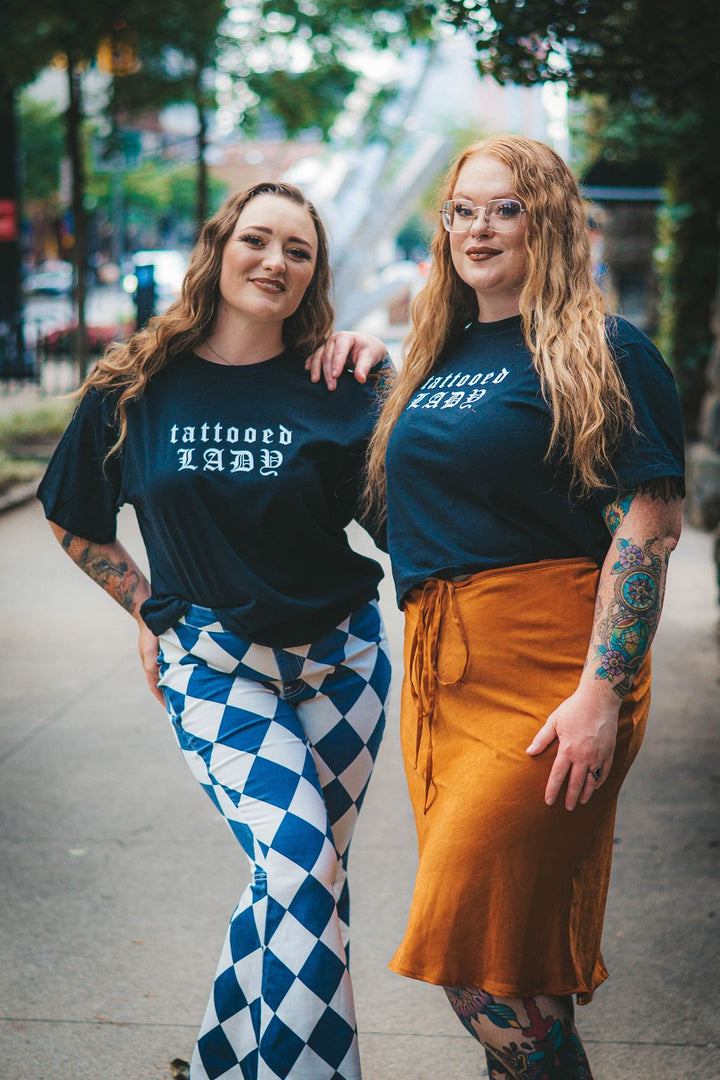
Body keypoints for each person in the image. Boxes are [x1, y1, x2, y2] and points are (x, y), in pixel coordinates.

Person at [317, 134, 685, 1079]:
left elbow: (646, 528)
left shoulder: (603, 350)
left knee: (474, 966)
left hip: (553, 664)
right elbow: (400, 511)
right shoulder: (431, 362)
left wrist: (603, 691)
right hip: (442, 669)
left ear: (549, 220)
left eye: (505, 208)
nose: (479, 228)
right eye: (461, 211)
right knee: (513, 957)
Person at [37, 181, 392, 1080]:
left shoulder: (341, 381)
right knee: (304, 871)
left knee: (294, 886)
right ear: (220, 246)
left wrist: (394, 367)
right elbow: (75, 517)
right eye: (258, 240)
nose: (275, 261)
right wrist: (147, 607)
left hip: (344, 667)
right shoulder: (135, 383)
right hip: (216, 673)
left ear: (314, 275)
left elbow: (405, 520)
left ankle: (220, 1061)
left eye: (298, 251)